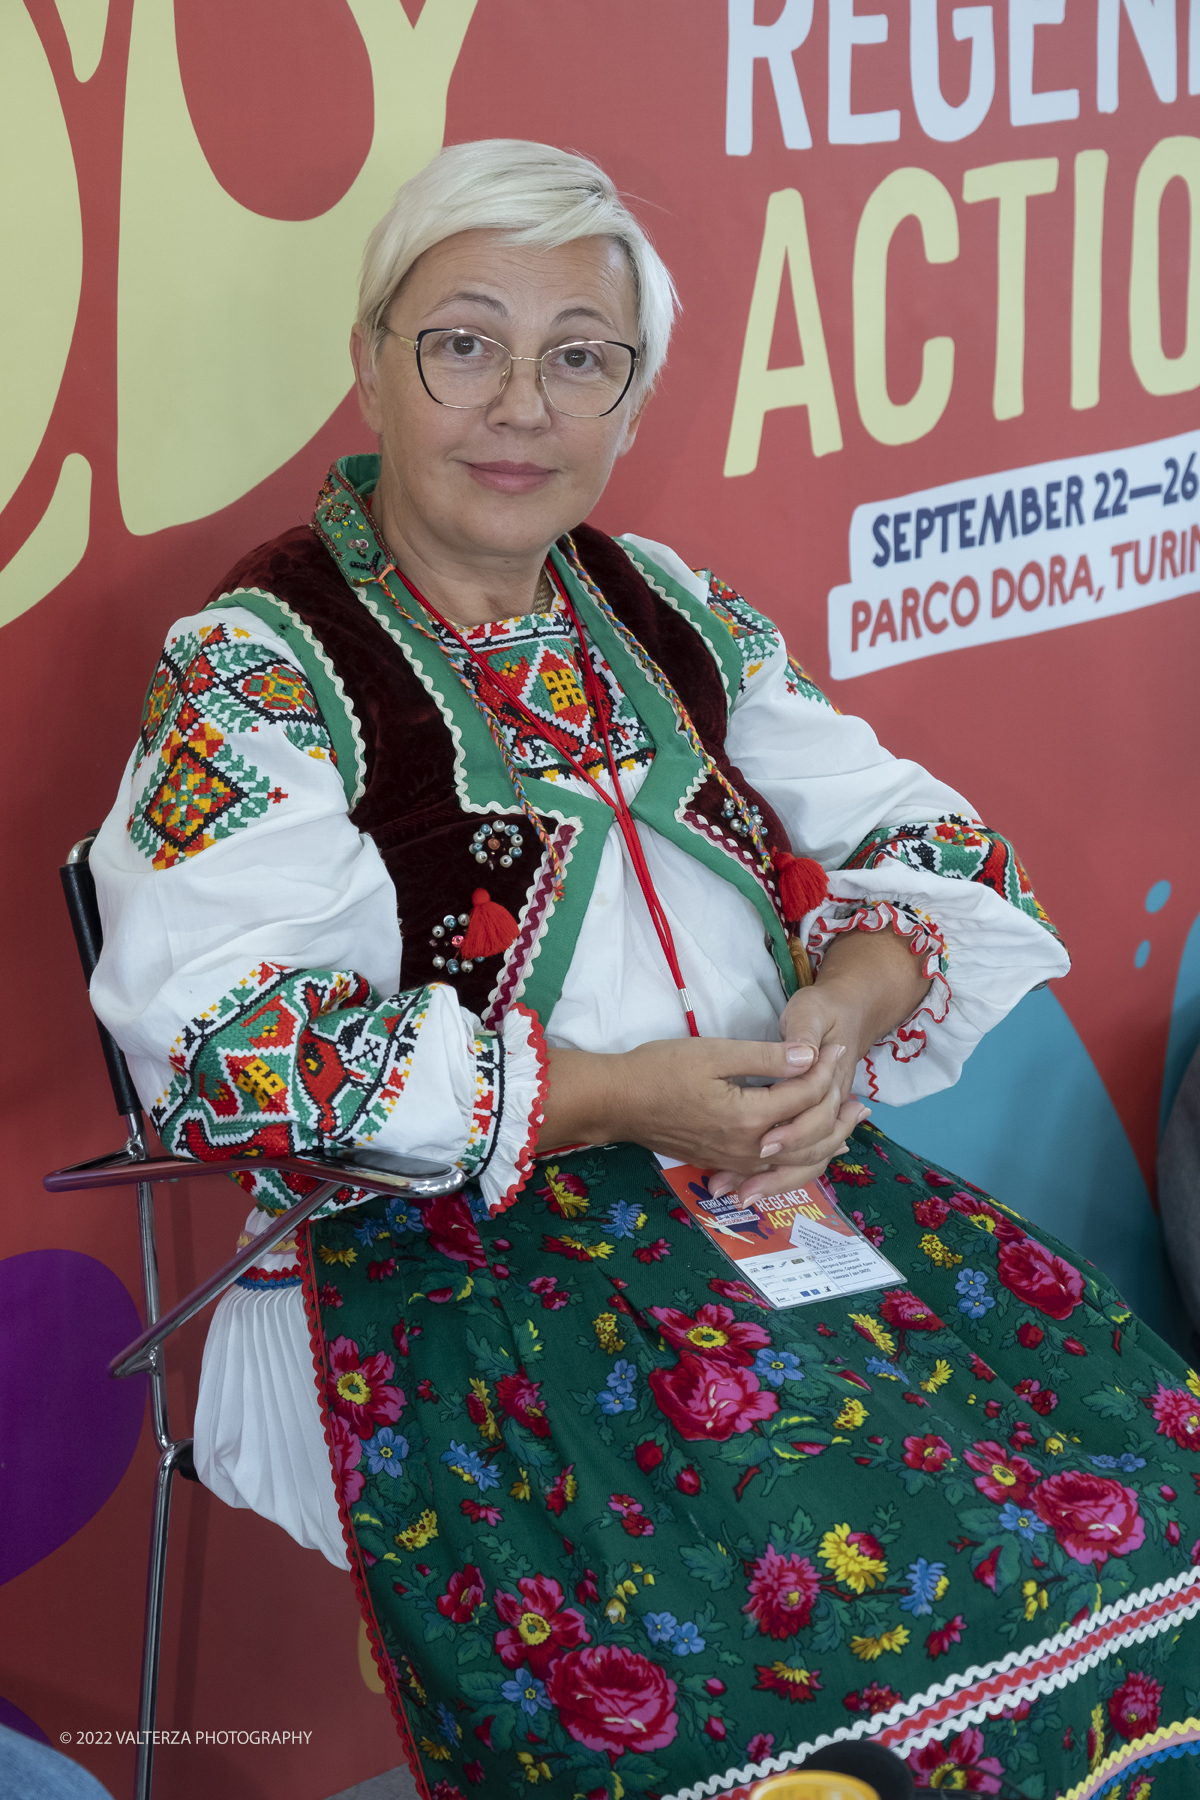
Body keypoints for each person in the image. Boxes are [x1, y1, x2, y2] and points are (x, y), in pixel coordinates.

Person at [90, 141, 1200, 1799]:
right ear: (373, 365)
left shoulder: (661, 608)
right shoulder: (259, 664)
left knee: (1144, 1487)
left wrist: (842, 1011)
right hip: (435, 1246)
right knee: (840, 1624)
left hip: (767, 1183)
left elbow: (939, 845)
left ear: (631, 399)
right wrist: (611, 1095)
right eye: (462, 342)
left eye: (580, 357)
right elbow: (233, 1048)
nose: (518, 404)